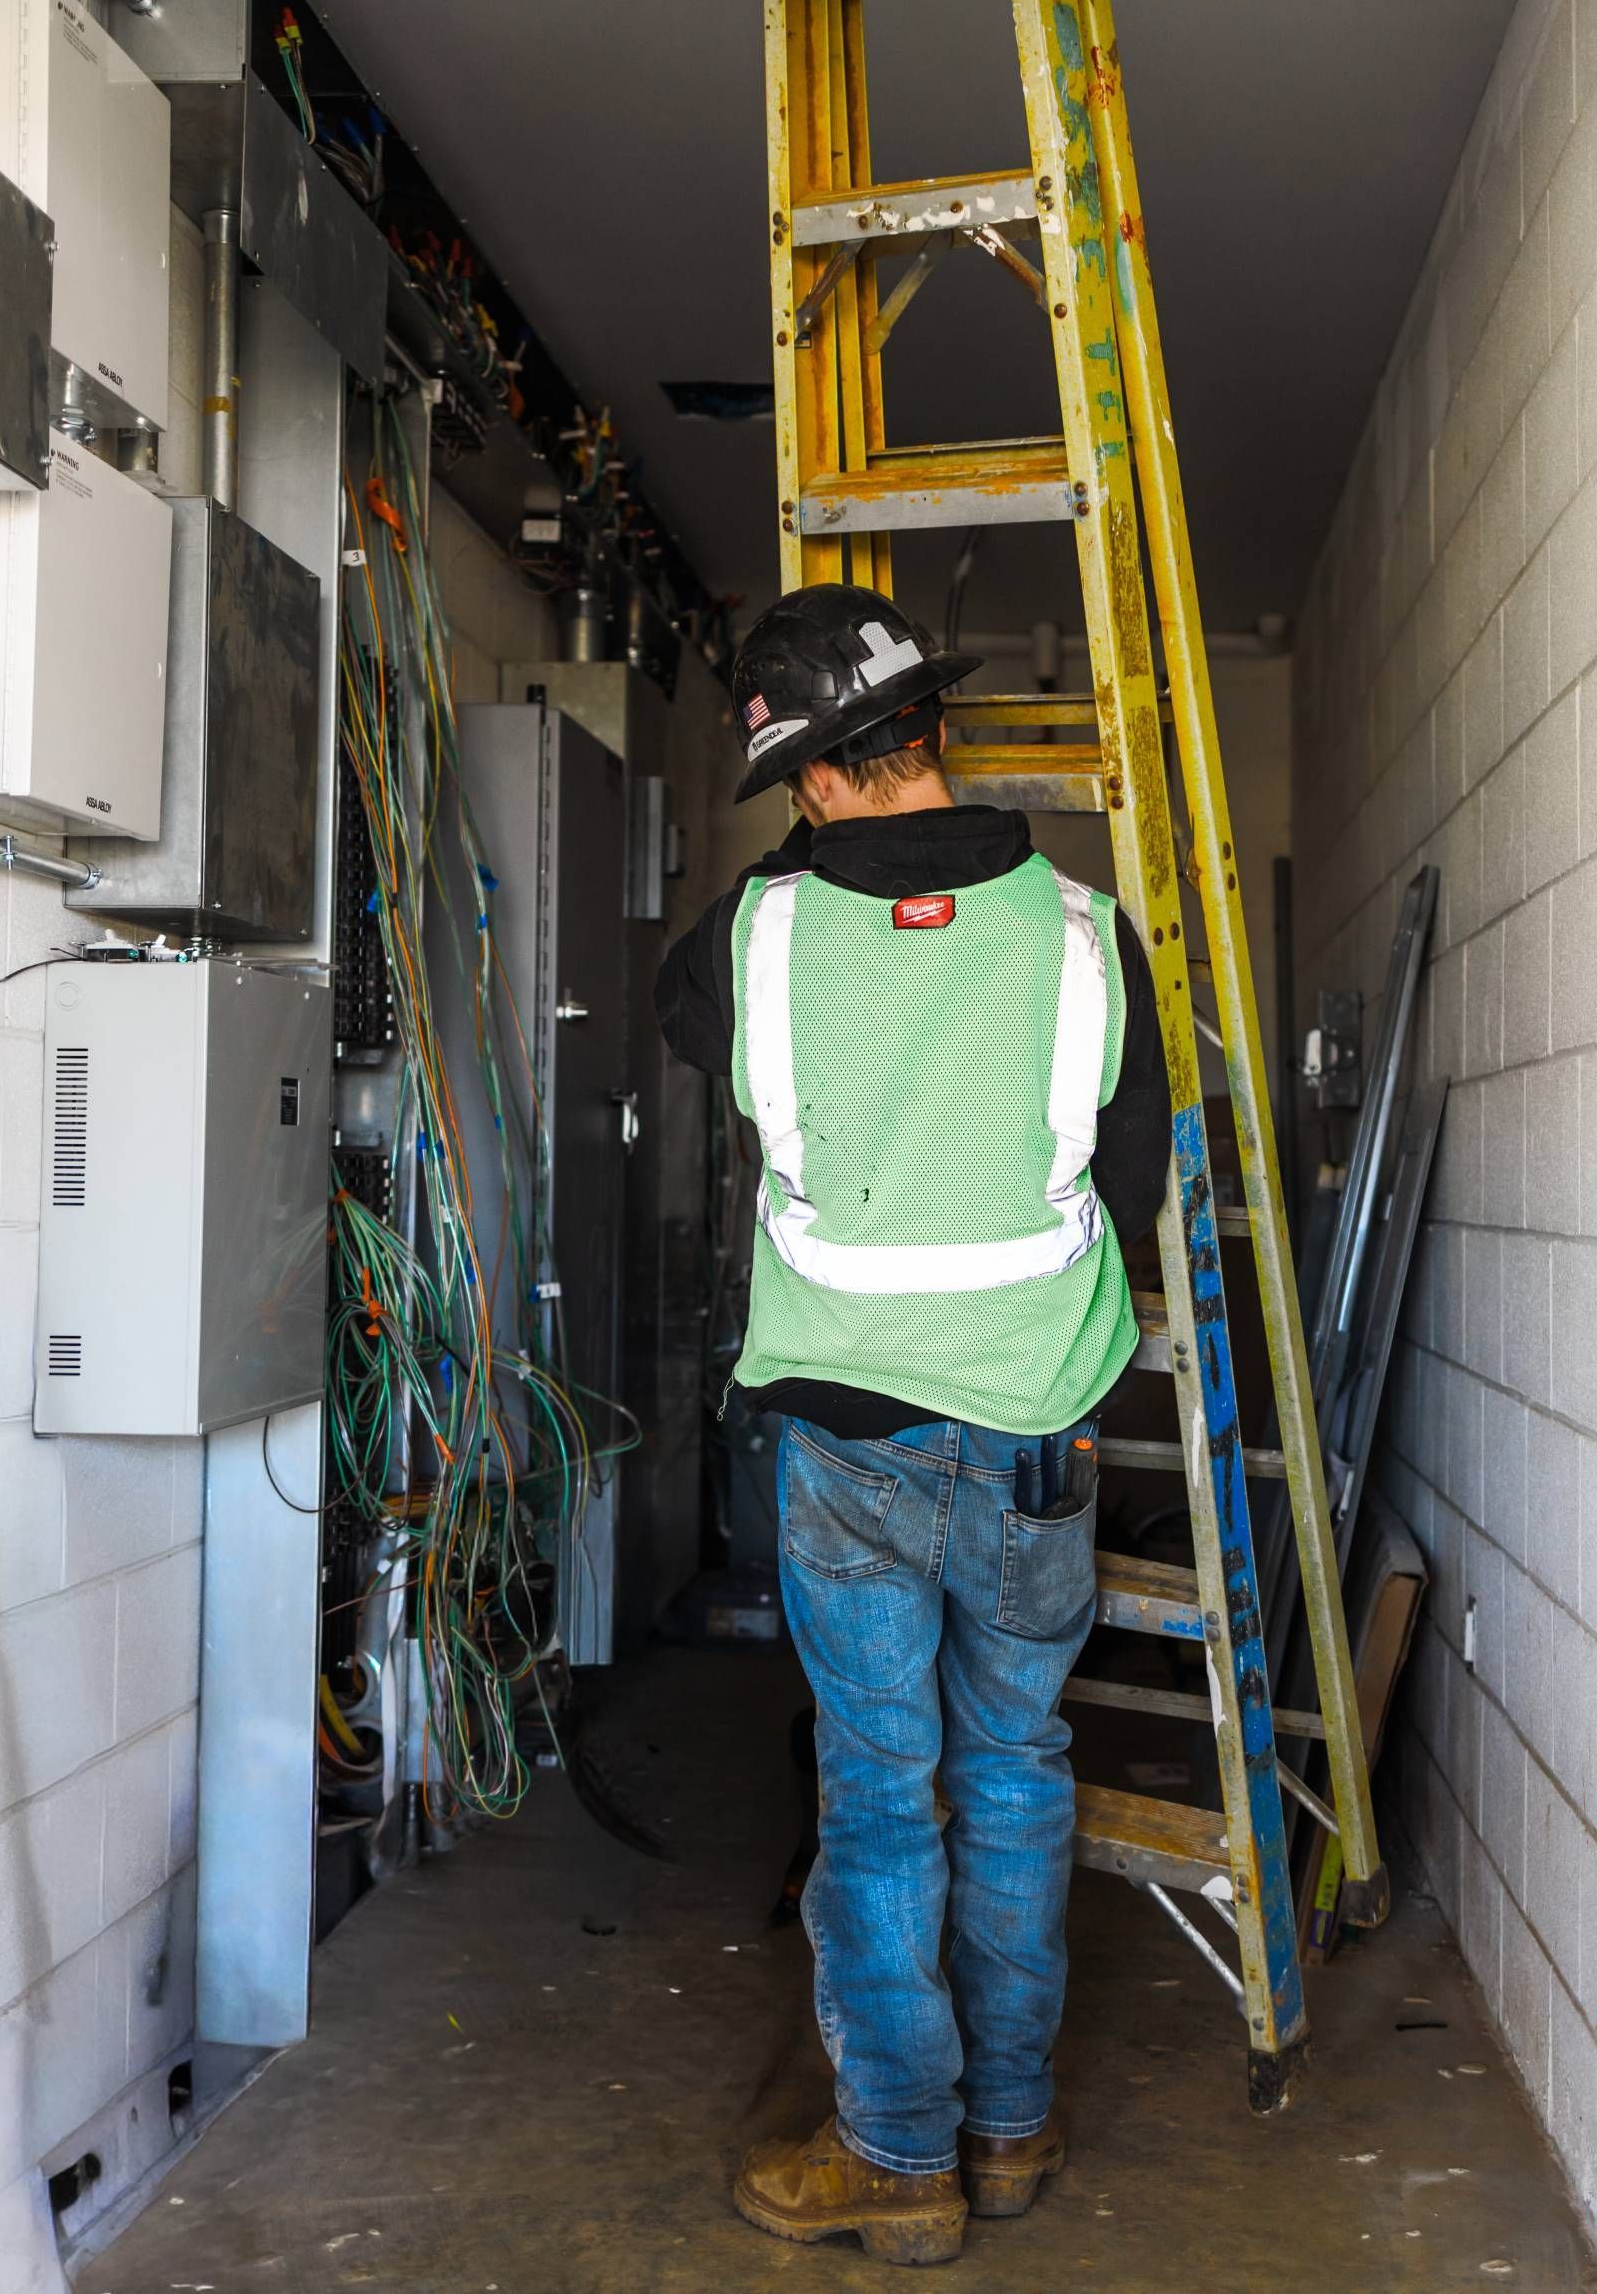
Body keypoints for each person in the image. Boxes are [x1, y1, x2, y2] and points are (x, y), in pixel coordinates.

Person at [656, 583, 1171, 2267]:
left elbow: (691, 1019)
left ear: (805, 784)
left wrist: (809, 868)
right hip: (1035, 1426)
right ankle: (1010, 2133)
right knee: (1018, 1773)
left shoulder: (759, 937)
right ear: (934, 735)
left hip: (851, 1431)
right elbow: (1131, 1182)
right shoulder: (1091, 934)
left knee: (887, 1796)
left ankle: (900, 2157)